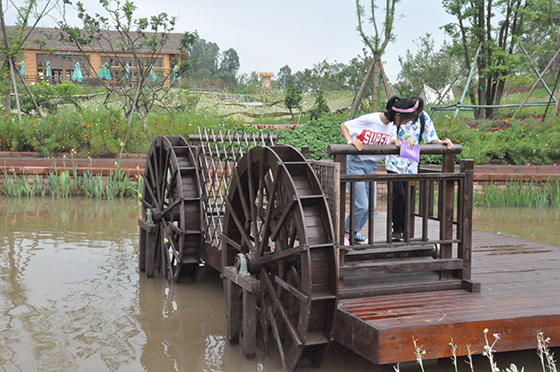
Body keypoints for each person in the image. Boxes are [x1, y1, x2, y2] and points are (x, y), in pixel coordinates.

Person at [341, 96, 417, 245]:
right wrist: (351, 141)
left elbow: (391, 141)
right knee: (361, 205)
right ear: (397, 116)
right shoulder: (372, 119)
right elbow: (344, 125)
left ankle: (353, 232)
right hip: (356, 163)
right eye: (405, 120)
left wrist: (403, 143)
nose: (406, 123)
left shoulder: (392, 126)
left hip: (371, 166)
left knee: (371, 206)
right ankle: (345, 233)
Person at [385, 96, 453, 242]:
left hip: (411, 163)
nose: (409, 121)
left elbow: (431, 137)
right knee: (399, 195)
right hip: (394, 163)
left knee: (408, 197)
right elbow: (389, 138)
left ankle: (406, 229)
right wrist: (396, 141)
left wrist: (441, 142)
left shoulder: (423, 117)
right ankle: (396, 229)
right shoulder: (393, 117)